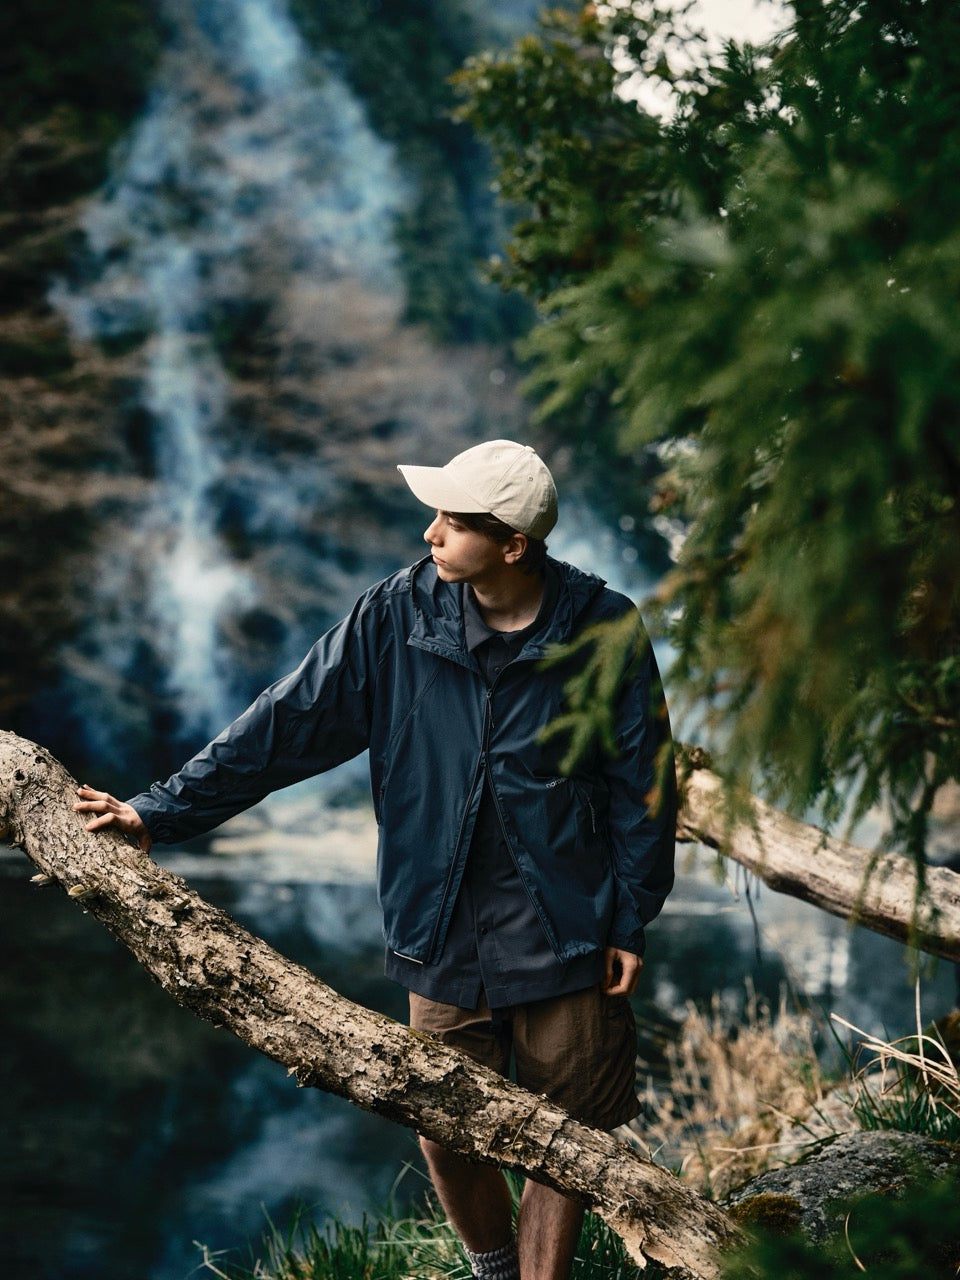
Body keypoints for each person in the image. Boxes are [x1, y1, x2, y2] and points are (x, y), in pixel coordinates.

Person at [75, 439, 676, 1280]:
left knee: (564, 1138)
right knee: (442, 1123)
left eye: (454, 522)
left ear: (513, 545)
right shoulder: (397, 615)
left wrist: (629, 916)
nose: (430, 534)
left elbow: (642, 782)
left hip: (569, 922)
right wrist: (155, 809)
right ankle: (493, 1269)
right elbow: (282, 727)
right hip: (441, 924)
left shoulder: (604, 627)